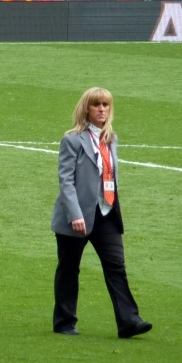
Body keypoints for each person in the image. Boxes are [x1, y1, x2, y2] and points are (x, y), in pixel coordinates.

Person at [51, 87, 153, 339]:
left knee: (116, 265)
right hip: (78, 216)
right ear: (86, 108)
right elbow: (66, 181)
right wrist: (75, 214)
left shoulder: (111, 140)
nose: (102, 110)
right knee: (69, 268)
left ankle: (129, 321)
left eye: (106, 105)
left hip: (106, 213)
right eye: (96, 105)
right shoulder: (72, 140)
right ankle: (64, 321)